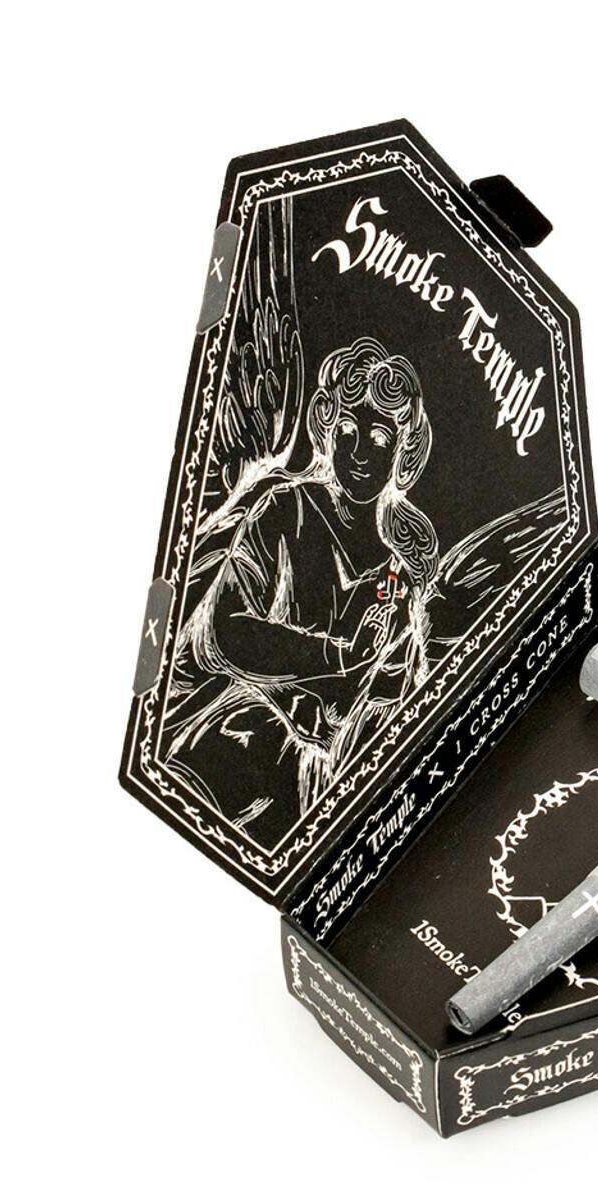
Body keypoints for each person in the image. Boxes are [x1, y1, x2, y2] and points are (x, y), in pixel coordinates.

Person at [162, 338, 439, 846]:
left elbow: (401, 707)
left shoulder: (397, 576)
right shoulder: (285, 509)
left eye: (380, 438)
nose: (360, 453)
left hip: (325, 794)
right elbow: (224, 631)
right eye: (348, 431)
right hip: (241, 744)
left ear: (403, 454)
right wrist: (336, 656)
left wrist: (378, 679)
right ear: (327, 429)